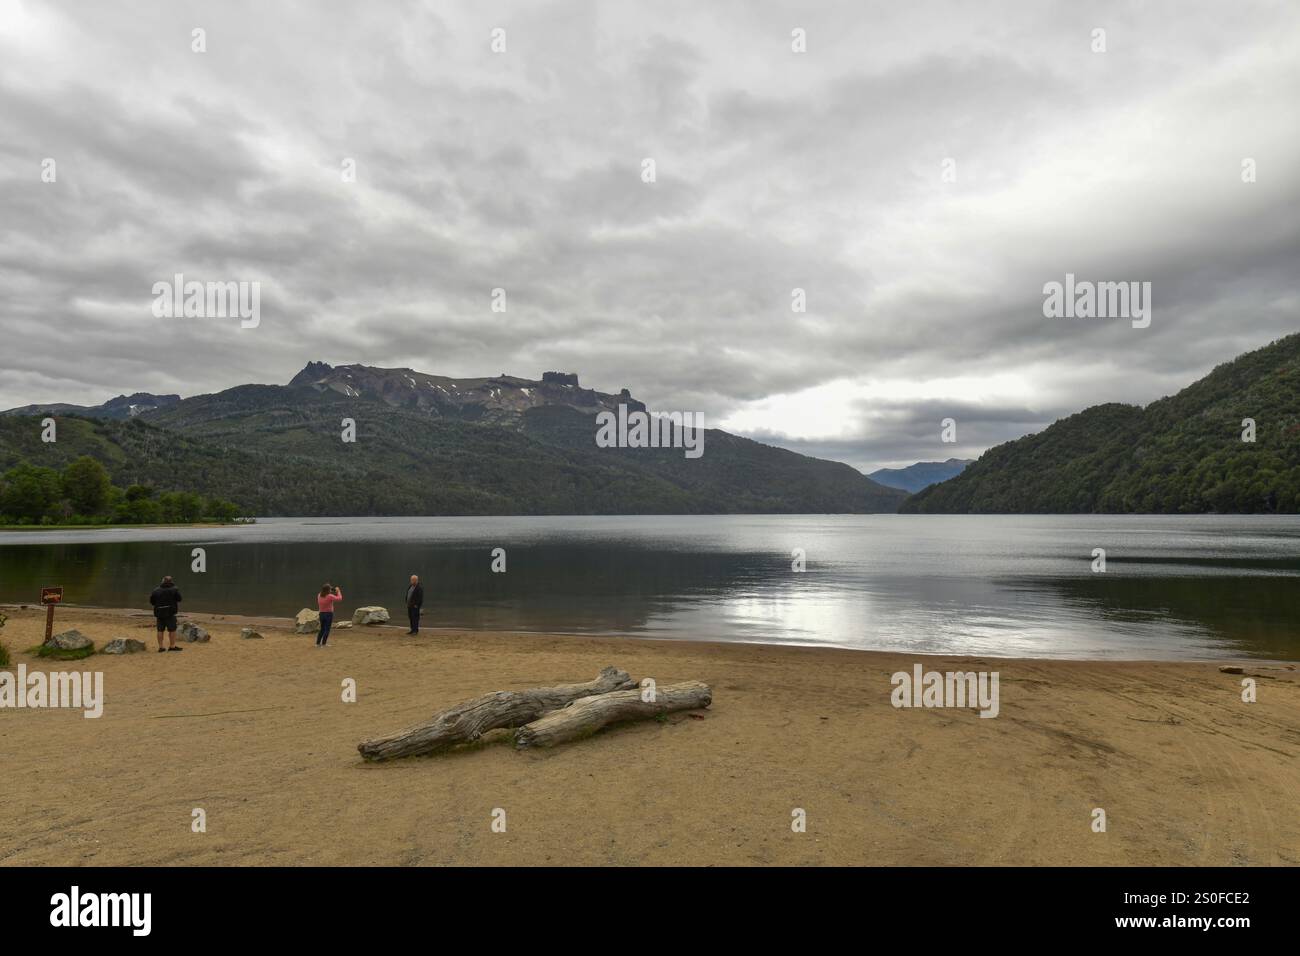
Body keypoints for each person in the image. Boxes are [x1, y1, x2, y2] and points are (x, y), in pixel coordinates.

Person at [149, 575, 183, 653]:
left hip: (159, 613)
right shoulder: (174, 589)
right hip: (170, 613)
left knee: (160, 630)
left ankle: (161, 647)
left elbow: (152, 602)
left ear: (162, 581)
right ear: (171, 582)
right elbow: (179, 599)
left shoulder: (156, 590)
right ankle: (172, 646)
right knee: (172, 630)